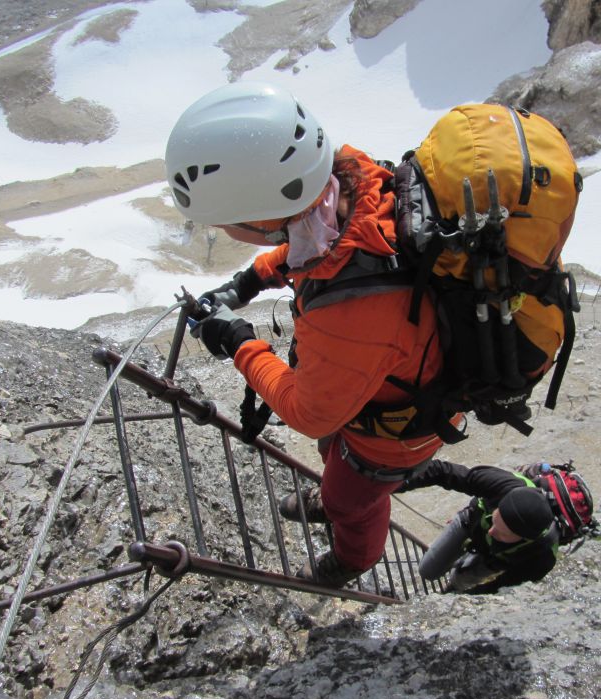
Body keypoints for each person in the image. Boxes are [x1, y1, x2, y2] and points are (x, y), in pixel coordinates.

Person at [164, 82, 456, 588]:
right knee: (334, 458)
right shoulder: (349, 185)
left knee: (352, 498)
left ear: (257, 216)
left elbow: (310, 411)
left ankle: (352, 560)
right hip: (386, 385)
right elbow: (318, 245)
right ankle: (334, 495)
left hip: (397, 433)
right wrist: (252, 279)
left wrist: (238, 341)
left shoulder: (354, 308)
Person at [395, 459, 597, 593]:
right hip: (470, 523)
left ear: (524, 538)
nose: (492, 530)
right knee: (427, 571)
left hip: (496, 559)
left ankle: (452, 587)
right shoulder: (500, 484)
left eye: (502, 533)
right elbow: (440, 471)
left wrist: (461, 600)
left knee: (460, 581)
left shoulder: (541, 558)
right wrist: (392, 484)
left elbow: (501, 586)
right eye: (496, 520)